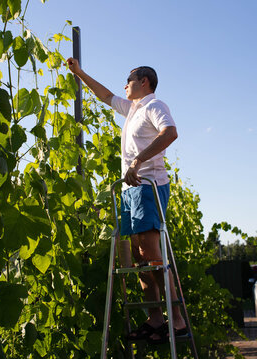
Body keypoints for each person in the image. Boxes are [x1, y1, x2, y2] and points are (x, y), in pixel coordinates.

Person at [66, 58, 187, 344]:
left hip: (148, 185)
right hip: (130, 189)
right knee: (138, 257)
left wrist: (139, 160)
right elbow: (105, 95)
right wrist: (80, 73)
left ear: (144, 82)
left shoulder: (155, 106)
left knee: (152, 254)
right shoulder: (133, 109)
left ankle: (178, 321)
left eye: (129, 80)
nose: (125, 85)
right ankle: (156, 319)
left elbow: (170, 132)